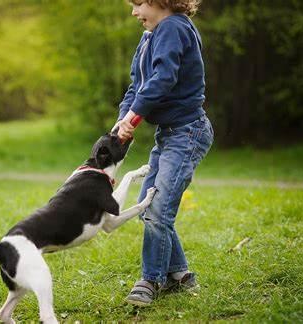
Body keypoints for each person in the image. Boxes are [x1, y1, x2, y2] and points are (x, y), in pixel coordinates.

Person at [114, 0, 214, 306]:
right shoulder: (150, 35)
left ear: (160, 1)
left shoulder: (173, 28)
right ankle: (180, 275)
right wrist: (123, 119)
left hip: (187, 132)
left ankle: (150, 279)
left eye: (138, 4)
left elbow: (162, 79)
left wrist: (134, 117)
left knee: (158, 210)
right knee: (148, 207)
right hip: (169, 134)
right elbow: (137, 85)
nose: (134, 13)